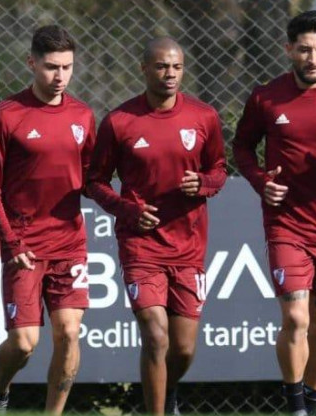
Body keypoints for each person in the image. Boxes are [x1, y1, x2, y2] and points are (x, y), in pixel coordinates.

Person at [86, 37, 226, 416]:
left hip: (189, 246)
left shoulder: (203, 117)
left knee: (182, 349)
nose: (170, 74)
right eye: (162, 66)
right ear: (144, 69)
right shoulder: (120, 121)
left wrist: (205, 184)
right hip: (141, 245)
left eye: (177, 67)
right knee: (155, 333)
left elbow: (219, 170)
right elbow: (94, 181)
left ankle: (161, 395)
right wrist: (127, 210)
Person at [233, 11, 316, 416]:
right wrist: (260, 180)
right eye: (304, 49)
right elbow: (243, 149)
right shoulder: (267, 97)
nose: (312, 58)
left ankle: (313, 402)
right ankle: (295, 404)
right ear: (289, 50)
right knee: (296, 317)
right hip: (287, 224)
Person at [0, 25, 96, 415]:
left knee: (68, 333)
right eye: (50, 67)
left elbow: (92, 179)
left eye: (67, 67)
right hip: (23, 246)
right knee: (24, 343)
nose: (59, 76)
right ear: (31, 62)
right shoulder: (6, 115)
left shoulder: (82, 115)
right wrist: (10, 241)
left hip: (69, 243)